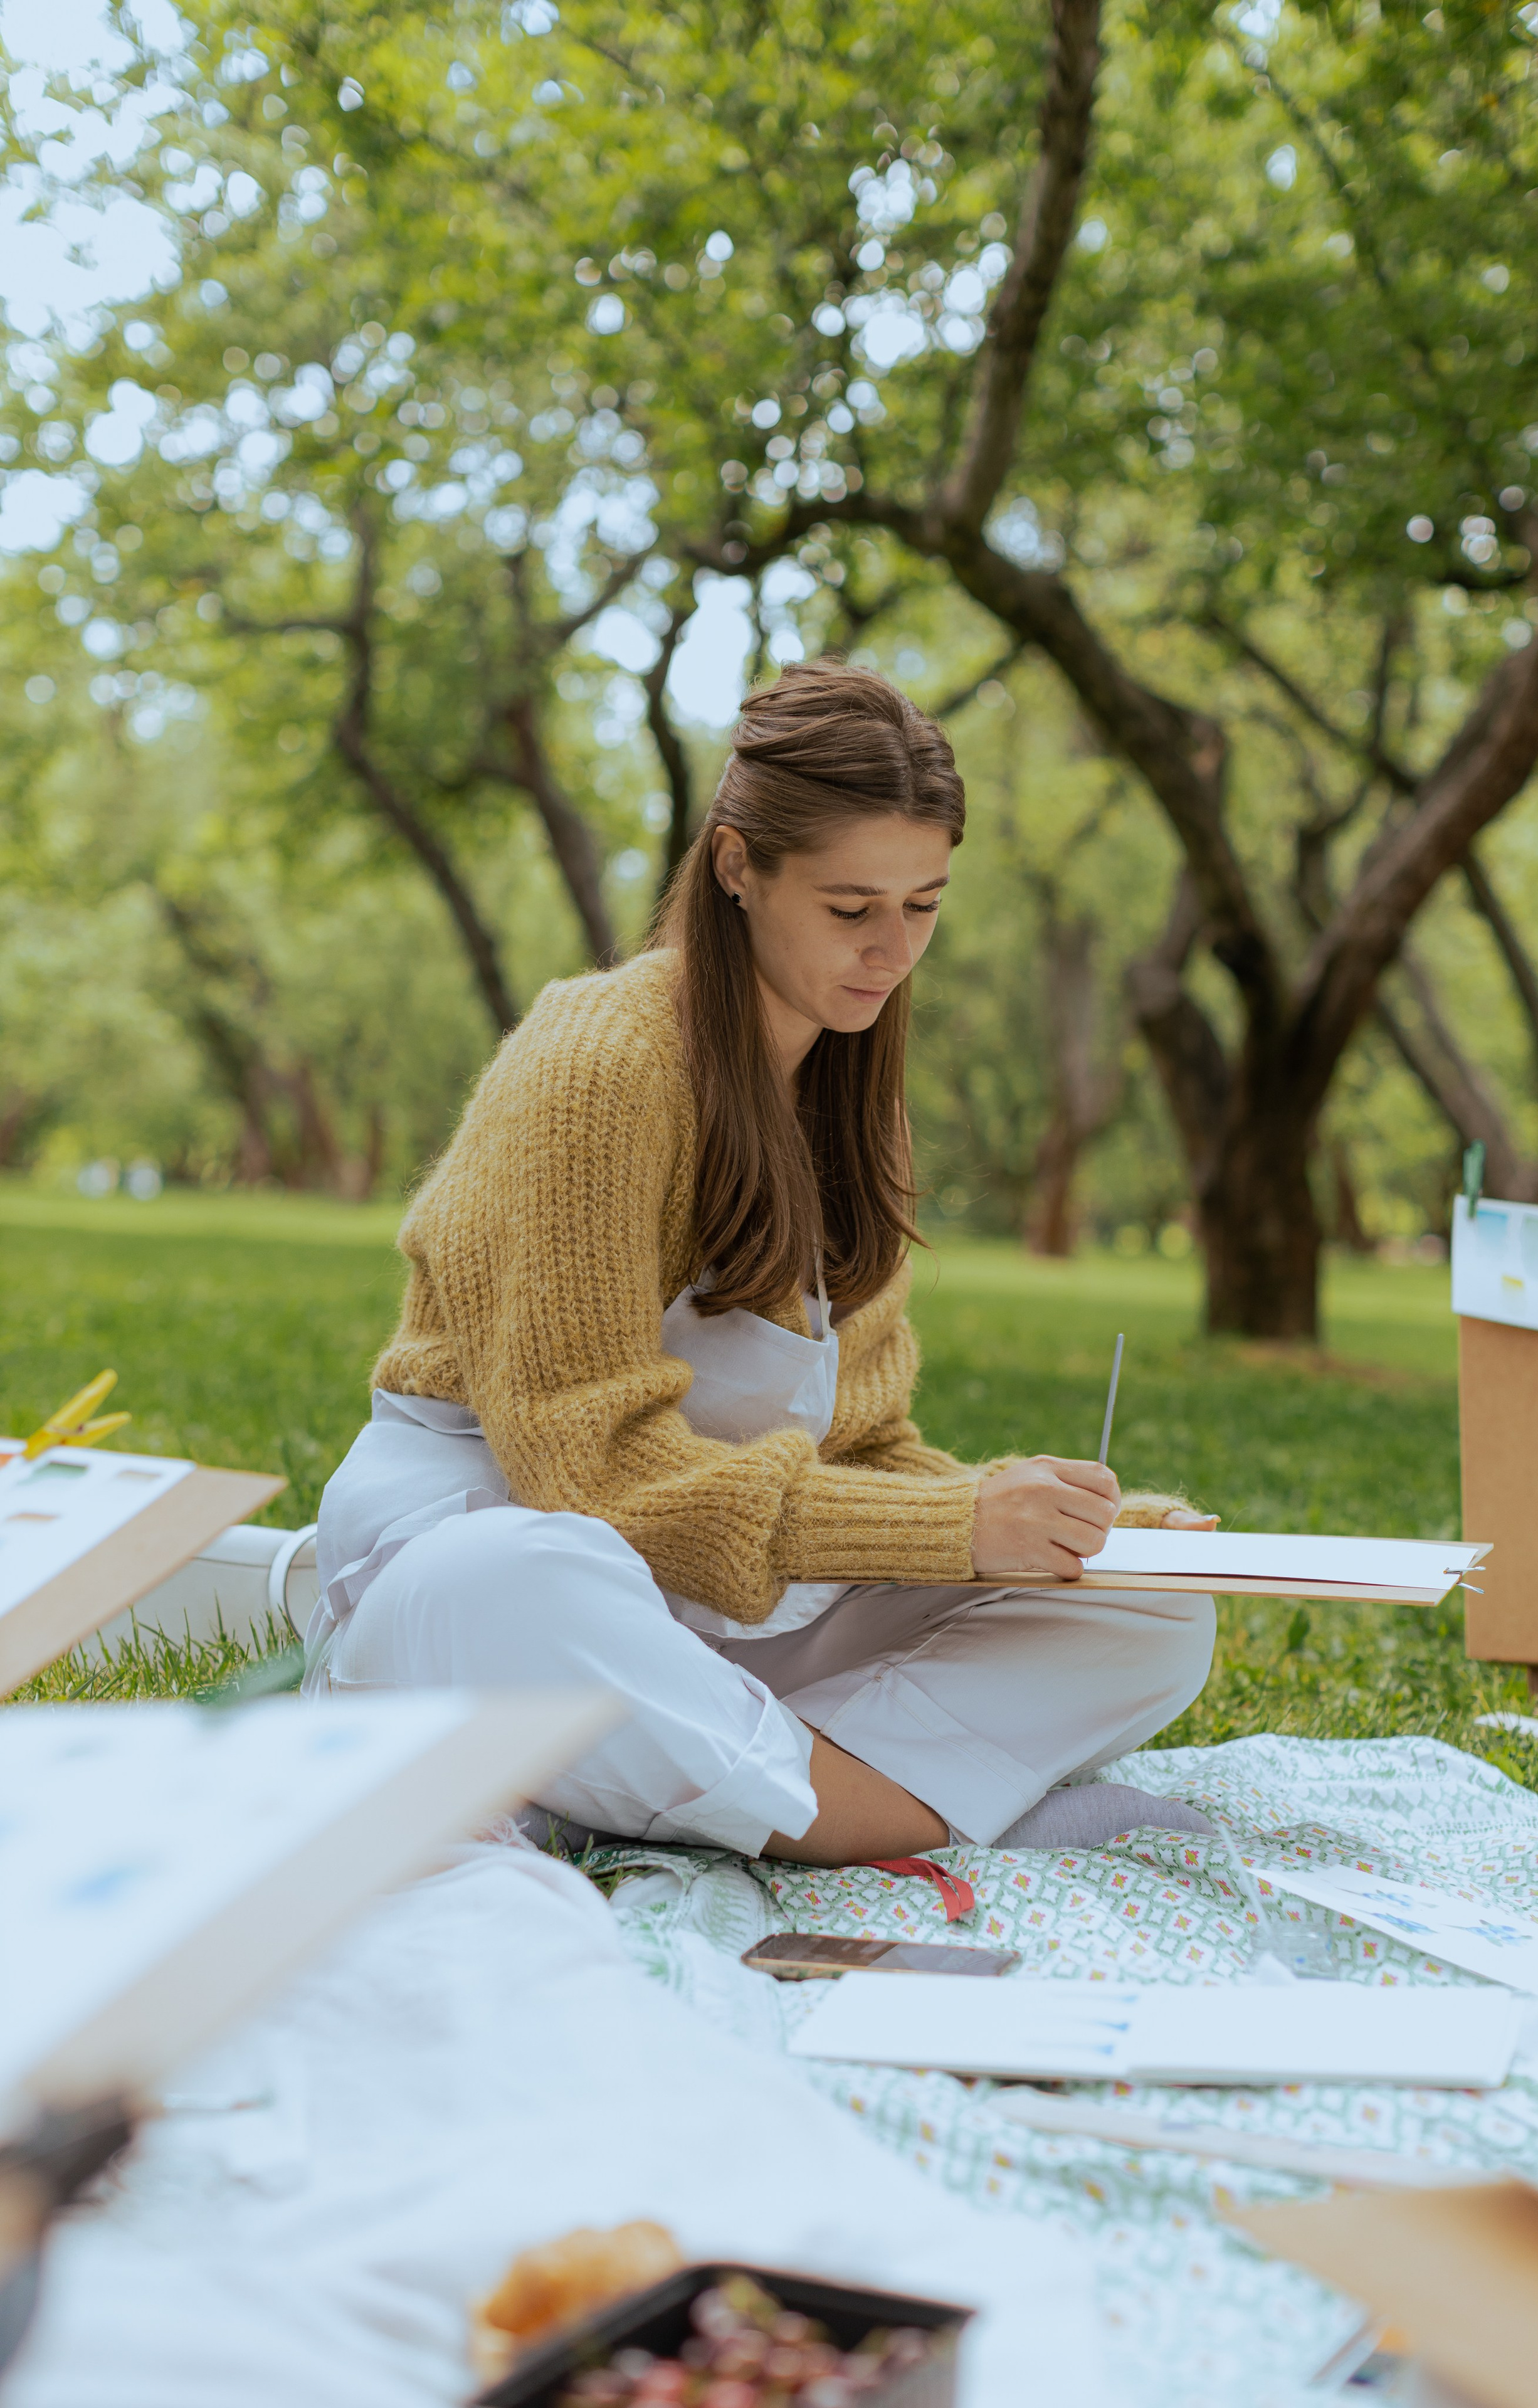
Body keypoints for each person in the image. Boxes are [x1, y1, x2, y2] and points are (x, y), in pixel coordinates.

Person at [302, 660, 1218, 1862]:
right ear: (736, 866)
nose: (892, 952)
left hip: (725, 1610)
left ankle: (678, 1782)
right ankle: (886, 1810)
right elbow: (590, 1475)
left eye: (925, 906)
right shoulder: (600, 1063)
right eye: (852, 909)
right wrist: (957, 1533)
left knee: (1154, 1616)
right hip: (504, 1548)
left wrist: (1076, 1531)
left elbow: (867, 1453)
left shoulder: (853, 1102)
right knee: (521, 1578)